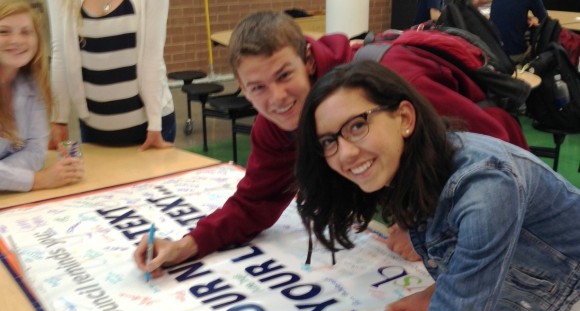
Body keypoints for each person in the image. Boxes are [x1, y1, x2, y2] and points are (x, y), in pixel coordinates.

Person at [244, 59, 580, 311]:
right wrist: (439, 290)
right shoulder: (418, 166)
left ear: (404, 117)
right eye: (329, 141)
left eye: (357, 126)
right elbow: (502, 247)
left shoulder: (486, 186)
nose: (345, 153)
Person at [134, 11, 528, 278]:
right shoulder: (277, 126)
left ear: (307, 60)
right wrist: (187, 245)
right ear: (243, 90)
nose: (277, 97)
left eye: (284, 74)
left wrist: (429, 222)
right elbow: (254, 202)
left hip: (510, 201)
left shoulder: (387, 80)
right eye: (258, 88)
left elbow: (495, 151)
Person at [46, 0, 175, 150]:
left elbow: (153, 57)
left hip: (151, 129)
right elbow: (59, 53)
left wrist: (155, 125)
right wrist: (59, 119)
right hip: (94, 128)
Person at [0, 1, 84, 192]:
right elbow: (33, 165)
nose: (16, 40)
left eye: (25, 32)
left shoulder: (32, 84)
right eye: (3, 32)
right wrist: (36, 180)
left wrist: (7, 177)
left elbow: (36, 152)